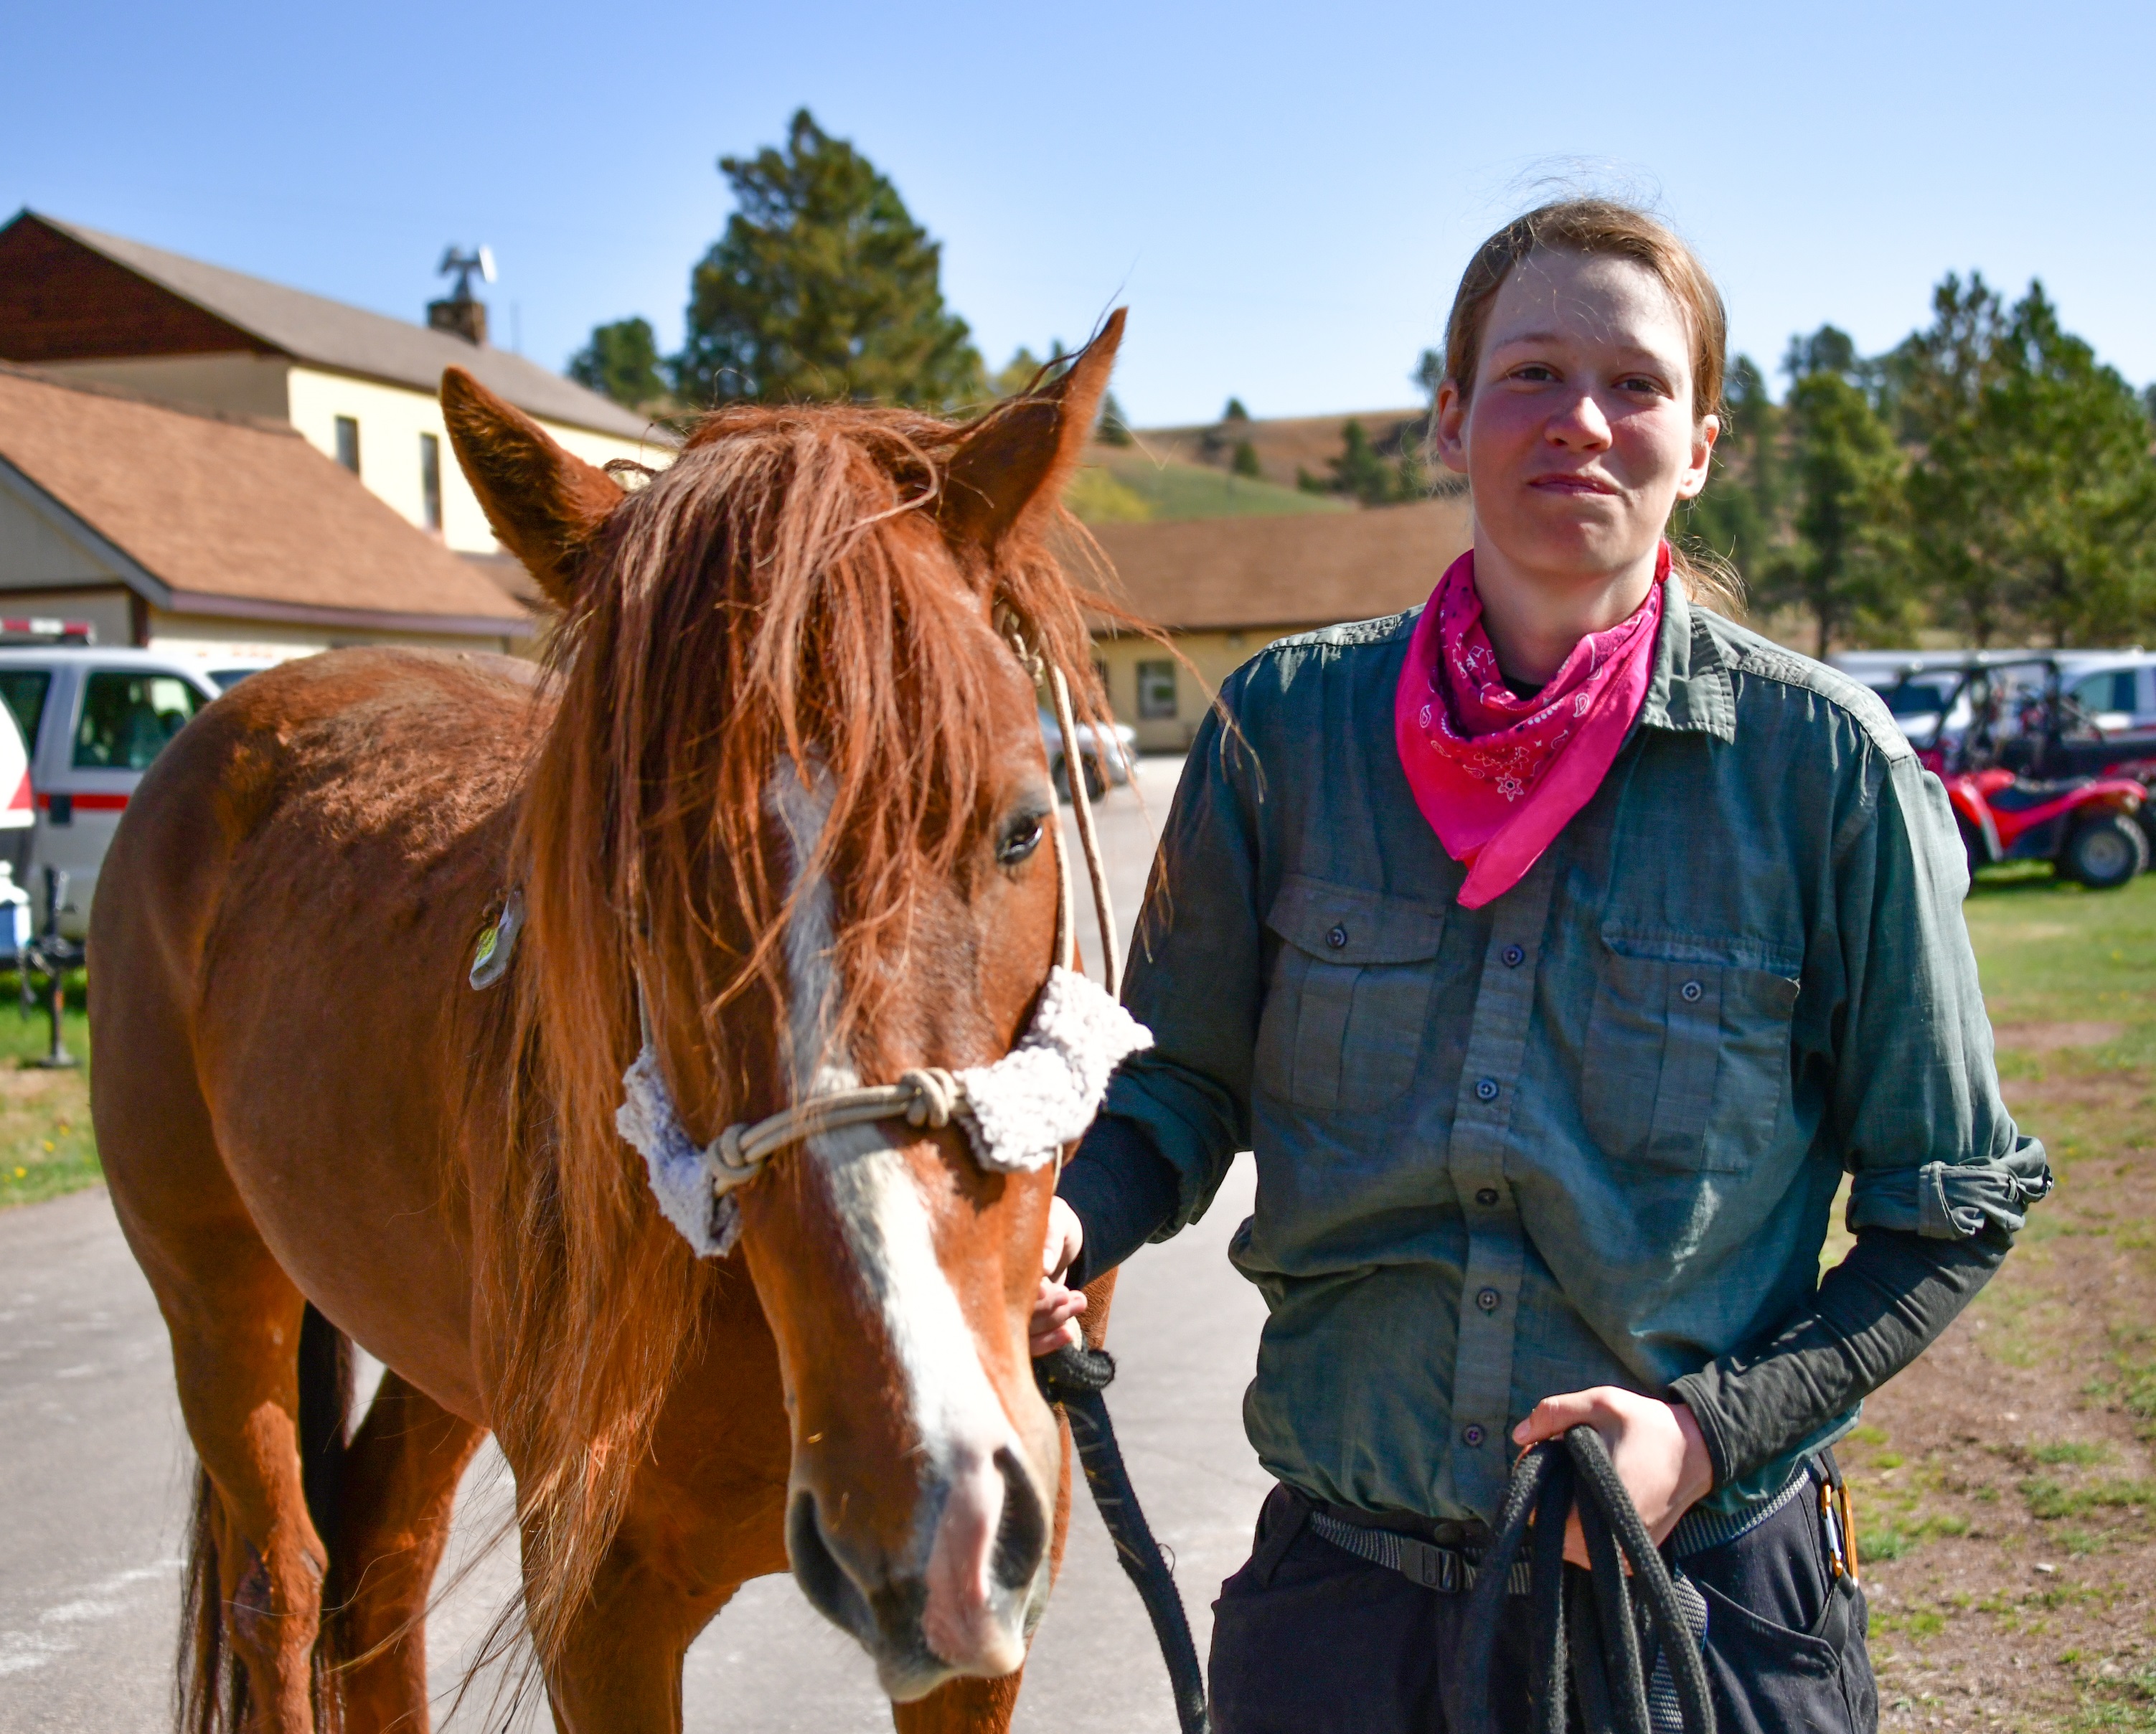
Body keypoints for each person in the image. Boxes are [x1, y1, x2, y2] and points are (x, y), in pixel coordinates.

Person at [1030, 199, 2051, 1734]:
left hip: (1692, 1620)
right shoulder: (1282, 739)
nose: (1581, 419)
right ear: (1450, 419)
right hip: (1340, 1625)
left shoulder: (1827, 776)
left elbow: (1951, 1208)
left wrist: (1704, 1438)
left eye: (1635, 385)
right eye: (1529, 374)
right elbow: (1176, 1092)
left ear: (1698, 443)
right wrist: (1055, 1226)